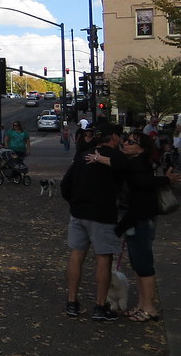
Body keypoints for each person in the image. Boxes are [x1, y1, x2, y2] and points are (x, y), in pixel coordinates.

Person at [89, 131, 181, 322]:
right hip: (136, 220)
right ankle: (142, 304)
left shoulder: (140, 165)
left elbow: (142, 185)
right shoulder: (133, 164)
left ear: (141, 149)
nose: (126, 143)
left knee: (143, 264)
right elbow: (120, 164)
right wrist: (99, 158)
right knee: (139, 265)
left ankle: (149, 308)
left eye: (131, 142)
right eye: (126, 140)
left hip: (140, 220)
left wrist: (121, 226)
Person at [62, 122, 127, 321]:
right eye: (120, 137)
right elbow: (128, 174)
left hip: (79, 211)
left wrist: (75, 202)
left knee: (76, 255)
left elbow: (66, 184)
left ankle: (72, 302)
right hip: (102, 214)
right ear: (114, 138)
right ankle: (100, 306)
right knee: (103, 259)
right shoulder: (116, 157)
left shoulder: (83, 155)